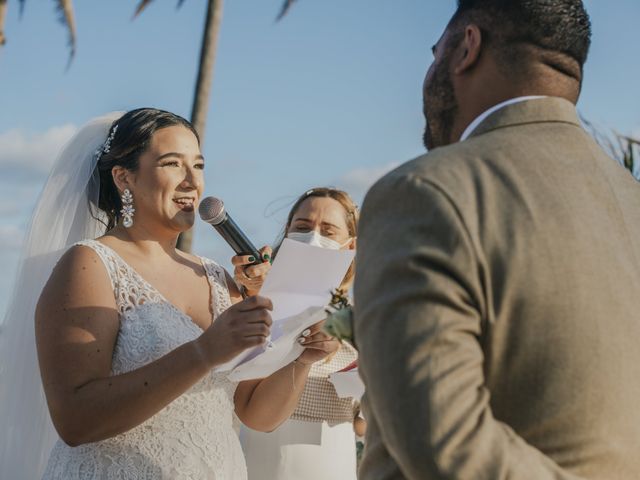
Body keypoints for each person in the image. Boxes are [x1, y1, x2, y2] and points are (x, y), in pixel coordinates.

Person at [354, 1, 640, 478]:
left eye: (434, 52)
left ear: (467, 47)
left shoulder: (427, 194)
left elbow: (448, 445)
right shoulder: (631, 197)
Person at [0, 108, 337, 479]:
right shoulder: (90, 264)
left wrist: (302, 357)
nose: (192, 181)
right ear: (124, 177)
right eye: (172, 164)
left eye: (199, 165)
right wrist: (204, 351)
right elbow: (75, 420)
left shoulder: (217, 278)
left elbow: (256, 414)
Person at [234, 187, 363, 480]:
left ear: (349, 245)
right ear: (288, 231)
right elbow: (250, 410)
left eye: (328, 231)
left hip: (331, 460)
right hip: (260, 454)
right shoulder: (261, 300)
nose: (313, 238)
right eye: (303, 227)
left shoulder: (361, 320)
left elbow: (364, 425)